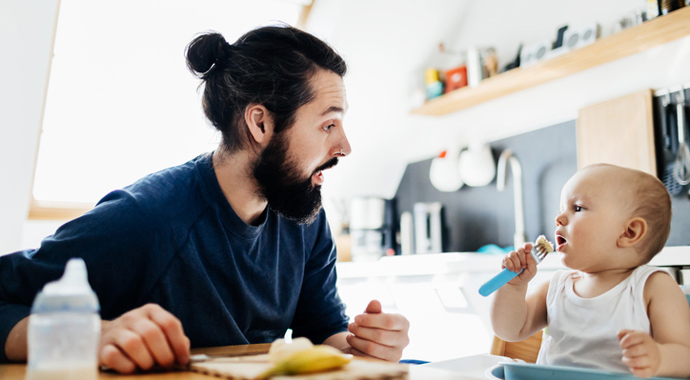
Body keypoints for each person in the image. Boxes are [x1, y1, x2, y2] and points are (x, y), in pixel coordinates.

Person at [0, 25, 409, 374]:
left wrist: (364, 347)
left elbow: (323, 333)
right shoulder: (147, 218)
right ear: (261, 123)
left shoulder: (304, 216)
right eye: (328, 124)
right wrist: (93, 334)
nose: (345, 146)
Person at [490, 163, 690, 378]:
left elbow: (686, 358)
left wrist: (659, 358)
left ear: (629, 232)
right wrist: (513, 287)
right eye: (560, 209)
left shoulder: (653, 287)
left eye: (577, 208)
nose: (558, 218)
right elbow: (510, 331)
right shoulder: (557, 287)